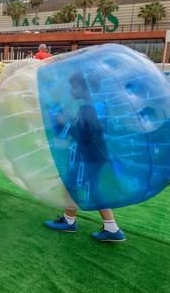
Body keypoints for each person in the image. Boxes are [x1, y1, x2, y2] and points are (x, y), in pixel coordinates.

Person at [44, 71, 126, 242]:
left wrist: (63, 122)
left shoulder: (87, 109)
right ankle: (71, 220)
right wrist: (72, 118)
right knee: (73, 184)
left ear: (84, 88)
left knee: (87, 187)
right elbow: (91, 129)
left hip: (88, 156)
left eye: (74, 87)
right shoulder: (97, 106)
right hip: (94, 155)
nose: (71, 90)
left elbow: (84, 134)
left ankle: (111, 227)